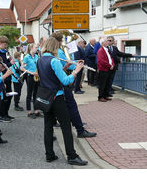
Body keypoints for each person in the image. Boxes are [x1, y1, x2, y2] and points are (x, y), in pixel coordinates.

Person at [38, 37, 88, 165]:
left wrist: (65, 67)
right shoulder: (53, 60)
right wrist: (76, 71)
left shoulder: (40, 59)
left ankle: (49, 154)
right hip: (57, 97)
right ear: (55, 47)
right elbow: (66, 81)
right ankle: (71, 156)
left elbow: (50, 75)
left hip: (46, 97)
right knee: (66, 126)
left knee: (48, 126)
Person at [51, 32, 97, 138]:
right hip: (62, 83)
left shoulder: (53, 52)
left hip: (56, 84)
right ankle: (80, 130)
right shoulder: (57, 52)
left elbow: (65, 65)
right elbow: (64, 65)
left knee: (65, 107)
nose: (62, 43)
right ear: (58, 42)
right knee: (72, 106)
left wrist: (73, 62)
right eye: (61, 41)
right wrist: (77, 67)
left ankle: (76, 125)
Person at [0, 36, 15, 122]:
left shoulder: (6, 52)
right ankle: (1, 115)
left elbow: (7, 63)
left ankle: (6, 113)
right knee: (4, 97)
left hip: (8, 76)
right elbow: (2, 67)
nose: (5, 46)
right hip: (2, 76)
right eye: (4, 44)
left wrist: (11, 61)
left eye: (6, 44)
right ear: (0, 43)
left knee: (9, 96)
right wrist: (10, 63)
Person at [21, 43, 42, 119]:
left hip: (37, 76)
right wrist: (30, 72)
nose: (37, 49)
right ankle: (29, 112)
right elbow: (22, 68)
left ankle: (36, 111)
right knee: (29, 94)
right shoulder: (27, 57)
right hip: (30, 76)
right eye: (36, 47)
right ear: (31, 48)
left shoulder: (37, 56)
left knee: (36, 94)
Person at [97, 38, 115, 102]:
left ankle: (105, 95)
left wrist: (112, 64)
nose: (107, 42)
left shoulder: (107, 50)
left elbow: (110, 58)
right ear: (102, 43)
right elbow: (101, 61)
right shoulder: (100, 50)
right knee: (102, 84)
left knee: (107, 83)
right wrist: (110, 65)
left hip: (108, 69)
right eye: (106, 41)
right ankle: (101, 96)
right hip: (103, 69)